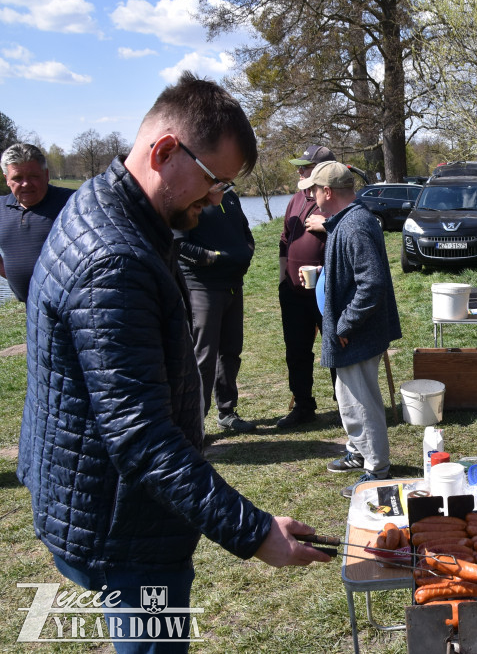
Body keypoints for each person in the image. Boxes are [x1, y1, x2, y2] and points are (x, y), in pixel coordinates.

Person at [18, 72, 331, 652]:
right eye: (213, 181)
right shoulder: (113, 259)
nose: (216, 200)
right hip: (125, 526)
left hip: (102, 501)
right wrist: (256, 532)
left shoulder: (109, 204)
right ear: (165, 151)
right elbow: (140, 437)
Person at [297, 161, 401, 497]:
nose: (311, 197)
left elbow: (372, 283)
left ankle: (376, 469)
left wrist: (345, 325)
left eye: (314, 190)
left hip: (357, 332)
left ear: (327, 191)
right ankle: (359, 452)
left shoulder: (354, 225)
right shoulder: (345, 221)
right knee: (348, 396)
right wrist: (323, 274)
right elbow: (352, 272)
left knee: (360, 402)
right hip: (353, 331)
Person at [175, 189, 256, 433]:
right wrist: (214, 258)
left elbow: (245, 232)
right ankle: (195, 421)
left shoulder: (230, 196)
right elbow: (178, 245)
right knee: (204, 355)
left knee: (231, 351)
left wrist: (246, 252)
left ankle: (227, 411)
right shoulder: (189, 195)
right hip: (203, 287)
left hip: (233, 284)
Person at [277, 144, 337, 427]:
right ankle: (303, 405)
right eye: (300, 167)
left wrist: (329, 224)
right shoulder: (296, 199)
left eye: (306, 167)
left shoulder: (335, 200)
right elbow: (284, 239)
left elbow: (354, 230)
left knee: (336, 347)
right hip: (294, 292)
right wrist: (283, 280)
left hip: (328, 291)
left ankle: (345, 405)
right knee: (296, 350)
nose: (300, 172)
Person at [0, 143, 74, 302]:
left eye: (33, 176)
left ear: (46, 175)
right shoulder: (1, 208)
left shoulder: (73, 203)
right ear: (7, 179)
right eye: (17, 178)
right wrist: (12, 273)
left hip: (74, 306)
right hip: (31, 308)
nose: (26, 183)